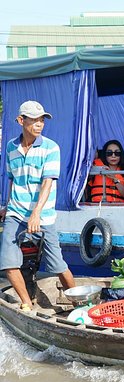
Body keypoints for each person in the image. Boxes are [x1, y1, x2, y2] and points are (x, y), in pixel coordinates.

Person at [0, 100, 76, 312]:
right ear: (20, 121)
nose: (39, 124)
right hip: (15, 212)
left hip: (44, 215)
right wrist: (6, 207)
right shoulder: (10, 148)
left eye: (42, 120)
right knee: (8, 262)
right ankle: (25, 302)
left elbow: (47, 183)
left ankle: (81, 304)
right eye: (34, 120)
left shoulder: (51, 148)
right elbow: (11, 180)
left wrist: (36, 213)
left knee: (57, 264)